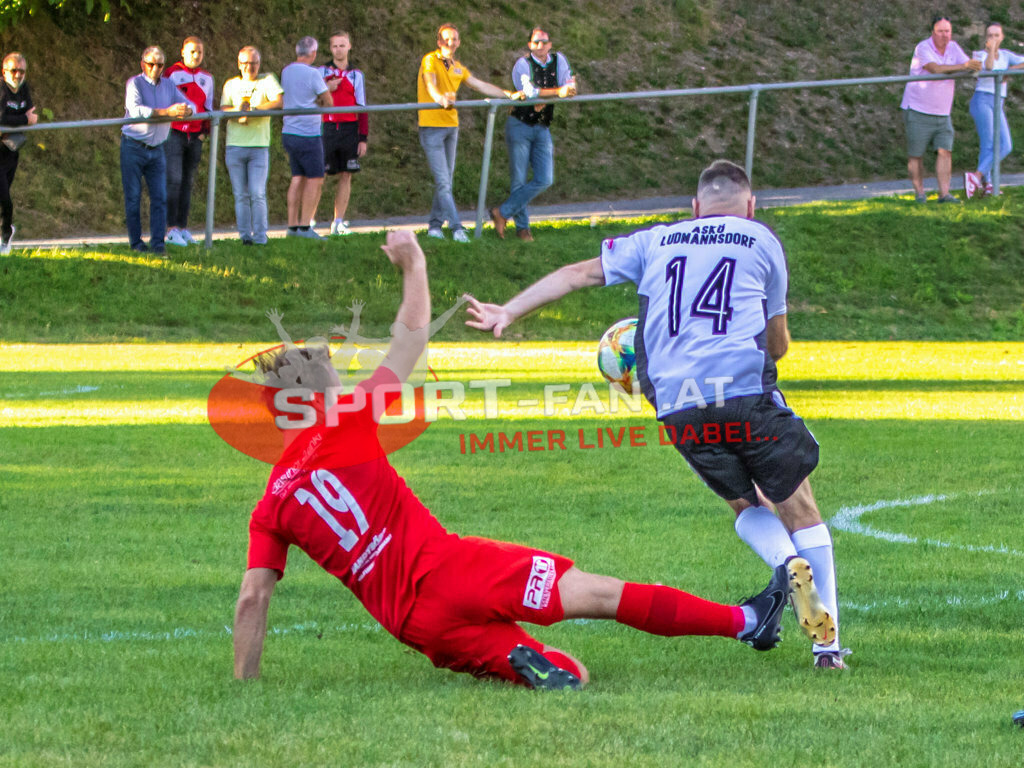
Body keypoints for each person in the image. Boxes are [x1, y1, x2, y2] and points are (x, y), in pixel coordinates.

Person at [232, 229, 799, 688]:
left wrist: (247, 683)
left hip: (415, 625)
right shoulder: (345, 423)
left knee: (562, 671)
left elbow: (253, 597)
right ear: (310, 401)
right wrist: (415, 266)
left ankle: (529, 662)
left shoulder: (270, 508)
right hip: (456, 569)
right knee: (600, 595)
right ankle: (748, 621)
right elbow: (409, 340)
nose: (340, 377)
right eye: (329, 375)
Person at [465, 160, 847, 669]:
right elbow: (775, 343)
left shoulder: (656, 241)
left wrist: (508, 311)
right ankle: (827, 647)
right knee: (800, 506)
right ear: (750, 206)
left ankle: (784, 562)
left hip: (678, 404)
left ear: (693, 208)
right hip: (744, 392)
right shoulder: (760, 240)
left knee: (744, 504)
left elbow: (578, 273)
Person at [417, 23, 517, 243]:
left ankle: (434, 226)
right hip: (431, 127)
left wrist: (508, 94)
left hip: (451, 126)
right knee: (443, 182)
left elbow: (479, 85)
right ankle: (456, 228)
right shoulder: (430, 60)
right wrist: (440, 99)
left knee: (446, 181)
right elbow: (430, 84)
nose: (450, 43)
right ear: (439, 42)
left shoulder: (458, 67)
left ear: (458, 42)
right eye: (446, 39)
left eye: (454, 39)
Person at [490, 27, 576, 243]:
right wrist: (557, 93)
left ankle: (502, 212)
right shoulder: (523, 64)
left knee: (545, 178)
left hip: (542, 125)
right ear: (529, 45)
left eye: (544, 42)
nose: (540, 46)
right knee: (518, 179)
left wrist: (566, 89)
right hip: (519, 124)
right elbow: (530, 92)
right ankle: (523, 229)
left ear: (550, 44)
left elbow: (569, 84)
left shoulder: (560, 60)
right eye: (536, 42)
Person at [899, 15, 981, 203]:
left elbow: (967, 65)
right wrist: (964, 65)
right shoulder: (923, 47)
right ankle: (920, 194)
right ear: (933, 32)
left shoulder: (953, 47)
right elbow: (935, 69)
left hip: (943, 113)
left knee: (945, 151)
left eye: (948, 31)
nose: (945, 35)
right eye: (941, 31)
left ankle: (944, 194)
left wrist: (976, 65)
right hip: (918, 110)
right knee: (916, 155)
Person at [121, 46, 192, 254]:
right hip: (133, 146)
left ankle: (158, 245)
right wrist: (167, 112)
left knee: (160, 197)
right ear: (143, 64)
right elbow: (137, 111)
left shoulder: (169, 86)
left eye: (160, 65)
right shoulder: (134, 83)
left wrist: (186, 110)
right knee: (133, 197)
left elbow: (190, 105)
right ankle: (136, 244)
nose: (155, 68)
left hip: (157, 148)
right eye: (151, 64)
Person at [221, 46, 283, 245]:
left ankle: (260, 236)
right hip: (235, 145)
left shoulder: (267, 81)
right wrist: (237, 110)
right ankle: (244, 236)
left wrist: (255, 109)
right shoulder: (230, 85)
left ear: (259, 63)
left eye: (254, 63)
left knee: (257, 193)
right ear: (239, 64)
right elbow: (223, 108)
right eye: (246, 63)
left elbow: (278, 101)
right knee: (240, 194)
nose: (250, 67)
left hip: (258, 146)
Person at [162, 37, 214, 247]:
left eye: (199, 52)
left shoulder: (207, 78)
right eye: (192, 52)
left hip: (195, 136)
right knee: (173, 179)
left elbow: (208, 107)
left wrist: (204, 133)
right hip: (174, 133)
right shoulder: (172, 73)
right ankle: (169, 228)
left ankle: (182, 227)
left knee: (187, 181)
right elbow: (165, 101)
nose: (196, 56)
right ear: (183, 52)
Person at [317, 31, 368, 237]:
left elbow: (362, 106)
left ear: (349, 46)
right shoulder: (321, 71)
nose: (339, 49)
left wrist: (362, 137)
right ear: (330, 49)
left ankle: (338, 221)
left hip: (349, 130)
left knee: (346, 175)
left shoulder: (357, 74)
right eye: (335, 46)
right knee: (318, 175)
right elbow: (314, 99)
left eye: (342, 45)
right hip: (327, 128)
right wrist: (327, 88)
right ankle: (308, 220)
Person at [965, 23, 1024, 198]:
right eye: (990, 35)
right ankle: (985, 183)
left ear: (1002, 37)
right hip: (982, 99)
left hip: (998, 101)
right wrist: (990, 51)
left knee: (1005, 145)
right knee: (989, 144)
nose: (993, 38)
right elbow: (989, 68)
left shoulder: (1006, 55)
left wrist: (1009, 71)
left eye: (996, 35)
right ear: (985, 38)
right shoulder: (979, 55)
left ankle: (977, 177)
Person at [281, 36, 331, 239]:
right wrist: (328, 90)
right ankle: (305, 227)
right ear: (313, 54)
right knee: (315, 179)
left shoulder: (286, 70)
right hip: (308, 133)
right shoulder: (313, 73)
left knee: (297, 177)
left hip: (289, 131)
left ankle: (292, 227)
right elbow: (329, 102)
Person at [0, 52, 36, 256]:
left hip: (11, 152)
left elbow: (32, 113)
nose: (18, 74)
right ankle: (5, 236)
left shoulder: (23, 89)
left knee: (3, 197)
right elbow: (2, 117)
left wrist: (23, 118)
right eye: (14, 70)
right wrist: (24, 119)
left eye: (22, 71)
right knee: (5, 199)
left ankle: (3, 237)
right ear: (4, 71)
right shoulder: (1, 89)